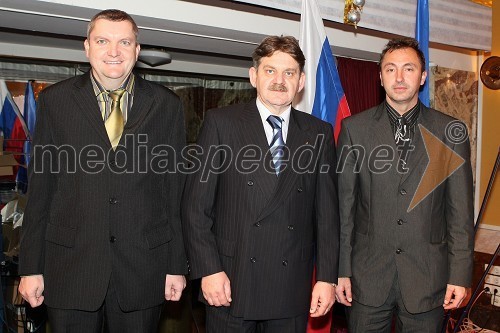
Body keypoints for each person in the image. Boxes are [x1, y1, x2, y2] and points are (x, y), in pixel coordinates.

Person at [18, 9, 187, 332]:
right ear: (87, 47)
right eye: (103, 41)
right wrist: (31, 268)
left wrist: (175, 265)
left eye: (124, 42)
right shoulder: (55, 101)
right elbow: (40, 191)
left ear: (137, 51)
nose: (114, 51)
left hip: (144, 269)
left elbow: (172, 194)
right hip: (70, 269)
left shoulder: (166, 106)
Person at [182, 35, 339, 332]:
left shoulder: (318, 133)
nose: (279, 80)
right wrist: (209, 270)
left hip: (291, 283)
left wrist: (327, 277)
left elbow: (327, 216)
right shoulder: (221, 123)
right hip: (231, 279)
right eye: (270, 71)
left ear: (301, 81)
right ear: (254, 76)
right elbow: (195, 208)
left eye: (289, 73)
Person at [335, 37, 474, 332]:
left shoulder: (451, 131)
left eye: (408, 69)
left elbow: (459, 214)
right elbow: (344, 210)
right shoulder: (354, 130)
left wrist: (460, 275)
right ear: (380, 77)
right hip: (366, 279)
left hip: (428, 280)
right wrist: (341, 271)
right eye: (390, 69)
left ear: (422, 77)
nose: (399, 78)